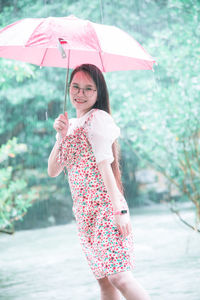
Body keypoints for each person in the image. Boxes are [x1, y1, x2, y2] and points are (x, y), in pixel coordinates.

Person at [48, 64, 151, 300]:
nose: (80, 94)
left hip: (105, 208)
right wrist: (60, 136)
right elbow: (53, 170)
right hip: (84, 215)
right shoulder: (69, 125)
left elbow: (106, 167)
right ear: (68, 88)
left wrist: (119, 210)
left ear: (98, 93)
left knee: (120, 277)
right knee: (105, 285)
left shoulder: (98, 119)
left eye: (88, 89)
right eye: (75, 87)